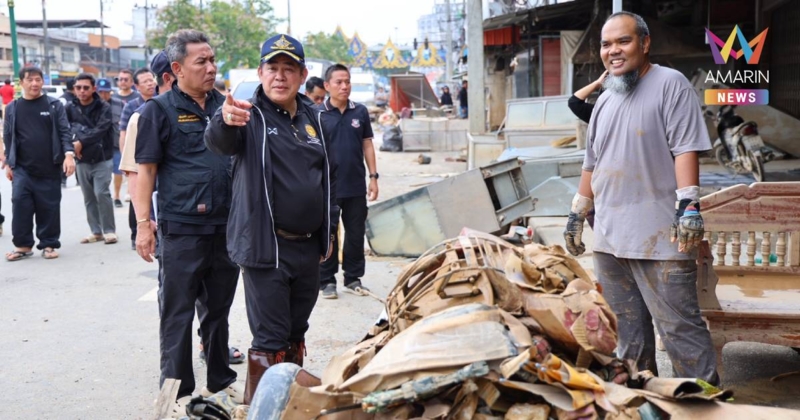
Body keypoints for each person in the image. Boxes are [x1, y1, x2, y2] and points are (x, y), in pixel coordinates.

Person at [562, 11, 718, 385]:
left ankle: (706, 406)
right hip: (611, 239)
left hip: (661, 237)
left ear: (645, 44)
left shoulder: (670, 84)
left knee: (681, 334)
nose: (613, 51)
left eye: (623, 41)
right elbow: (592, 164)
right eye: (606, 44)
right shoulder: (605, 100)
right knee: (628, 340)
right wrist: (577, 212)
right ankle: (644, 404)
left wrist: (690, 206)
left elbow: (685, 149)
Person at [205, 33, 337, 404]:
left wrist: (330, 228)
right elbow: (219, 140)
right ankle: (261, 409)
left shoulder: (314, 118)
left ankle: (292, 406)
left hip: (308, 247)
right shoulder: (248, 113)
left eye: (288, 69)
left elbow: (330, 177)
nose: (280, 77)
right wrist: (224, 119)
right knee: (270, 339)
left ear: (302, 74)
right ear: (261, 73)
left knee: (296, 331)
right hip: (267, 245)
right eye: (273, 68)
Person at [134, 30, 241, 409]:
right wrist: (144, 225)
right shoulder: (157, 110)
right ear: (177, 68)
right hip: (181, 230)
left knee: (218, 312)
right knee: (176, 314)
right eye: (202, 62)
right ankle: (177, 393)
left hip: (226, 227)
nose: (211, 68)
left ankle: (220, 380)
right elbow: (144, 171)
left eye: (213, 60)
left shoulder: (226, 106)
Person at [317, 63, 378, 300]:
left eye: (348, 81)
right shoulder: (317, 113)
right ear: (327, 85)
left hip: (355, 186)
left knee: (355, 232)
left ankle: (353, 278)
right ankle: (327, 280)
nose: (344, 86)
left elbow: (367, 145)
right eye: (339, 82)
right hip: (327, 187)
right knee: (329, 234)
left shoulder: (359, 112)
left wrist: (373, 177)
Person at [2, 66, 75, 261]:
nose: (35, 83)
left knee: (49, 206)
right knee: (19, 203)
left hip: (49, 166)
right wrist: (9, 162)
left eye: (38, 79)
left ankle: (49, 243)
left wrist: (69, 155)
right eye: (30, 80)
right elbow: (9, 136)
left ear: (42, 82)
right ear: (22, 82)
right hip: (23, 168)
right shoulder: (13, 108)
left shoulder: (53, 105)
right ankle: (23, 245)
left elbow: (64, 130)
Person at [66, 73, 117, 245]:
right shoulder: (69, 108)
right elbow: (65, 130)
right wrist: (74, 145)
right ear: (73, 89)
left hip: (103, 157)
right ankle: (96, 232)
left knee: (101, 193)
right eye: (78, 87)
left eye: (86, 87)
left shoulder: (104, 107)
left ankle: (109, 231)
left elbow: (101, 130)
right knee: (88, 197)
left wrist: (80, 141)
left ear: (93, 89)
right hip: (81, 159)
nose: (82, 91)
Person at [119, 68, 157, 250]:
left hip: (153, 159)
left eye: (151, 80)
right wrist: (127, 166)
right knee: (138, 198)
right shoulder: (132, 107)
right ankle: (137, 233)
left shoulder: (160, 103)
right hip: (136, 158)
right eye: (145, 81)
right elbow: (124, 134)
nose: (150, 84)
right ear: (137, 86)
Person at [97, 78, 126, 208]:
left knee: (118, 171)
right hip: (99, 145)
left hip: (115, 143)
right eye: (101, 92)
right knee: (101, 173)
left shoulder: (119, 104)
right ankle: (101, 195)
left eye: (106, 92)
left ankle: (117, 195)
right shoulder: (93, 106)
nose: (103, 95)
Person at [60, 78, 78, 188]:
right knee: (67, 156)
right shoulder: (64, 100)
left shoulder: (74, 99)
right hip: (68, 132)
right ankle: (63, 178)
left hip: (71, 132)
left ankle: (77, 179)